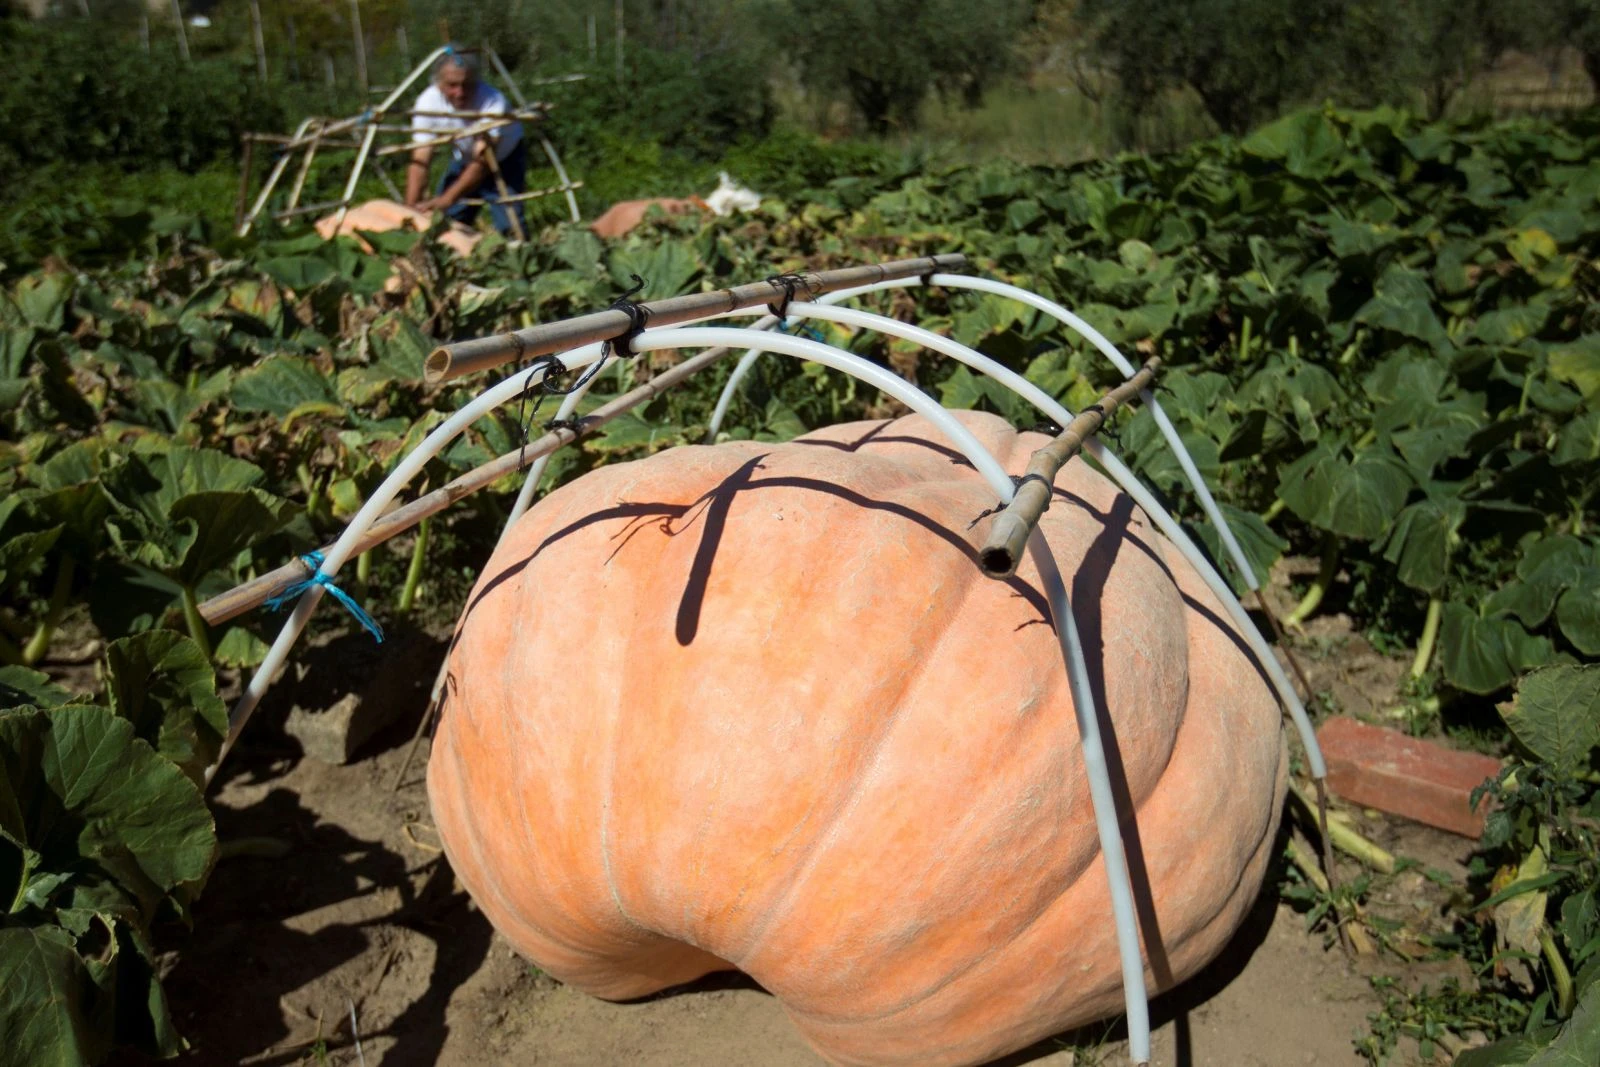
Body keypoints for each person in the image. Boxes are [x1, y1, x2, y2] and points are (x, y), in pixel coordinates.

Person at [405, 47, 527, 237]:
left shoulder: (492, 102)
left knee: (509, 224)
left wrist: (447, 199)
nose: (459, 92)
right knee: (449, 221)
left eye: (467, 85)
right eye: (452, 85)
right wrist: (409, 208)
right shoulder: (428, 102)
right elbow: (420, 159)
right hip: (464, 157)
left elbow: (483, 160)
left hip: (503, 159)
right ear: (438, 83)